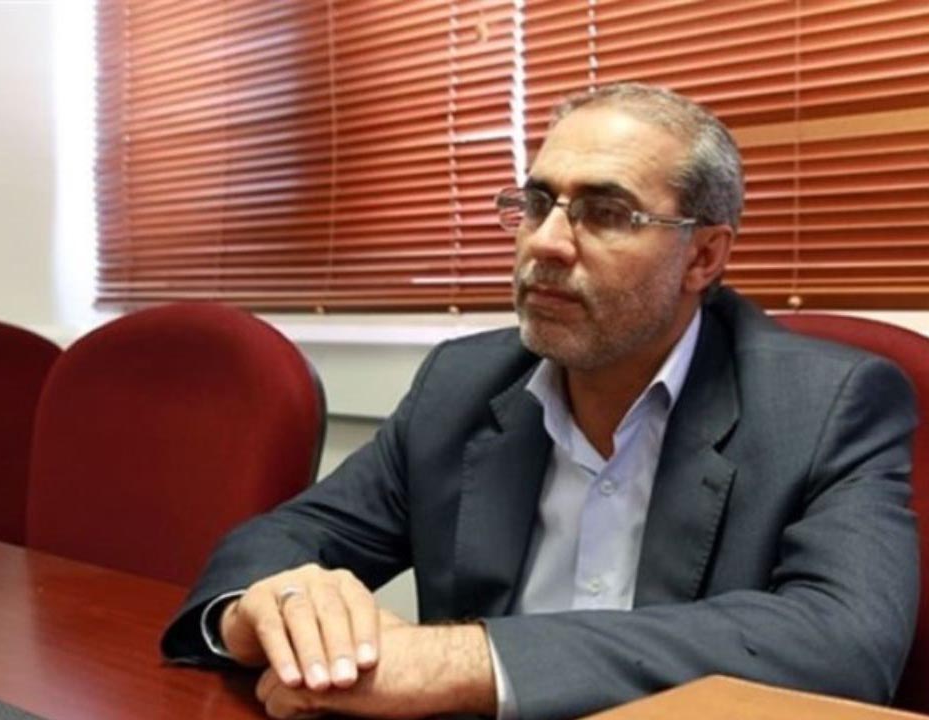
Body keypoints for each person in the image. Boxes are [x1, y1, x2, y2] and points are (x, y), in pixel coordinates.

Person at [160, 82, 920, 720]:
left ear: (704, 256)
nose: (546, 243)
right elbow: (292, 536)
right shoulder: (463, 383)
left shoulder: (827, 405)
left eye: (608, 212)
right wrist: (269, 612)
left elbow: (843, 643)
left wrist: (463, 662)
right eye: (536, 202)